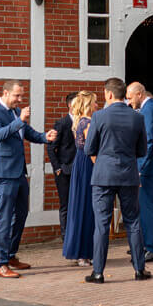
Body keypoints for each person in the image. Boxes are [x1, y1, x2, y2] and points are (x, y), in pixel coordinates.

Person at [0, 80, 57, 279]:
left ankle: (11, 255)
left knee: (22, 214)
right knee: (5, 218)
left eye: (22, 96)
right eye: (17, 96)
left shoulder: (15, 112)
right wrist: (20, 120)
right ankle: (0, 263)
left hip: (18, 172)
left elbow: (26, 133)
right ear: (5, 93)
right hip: (2, 173)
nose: (20, 99)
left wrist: (44, 137)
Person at [84, 77, 149, 284]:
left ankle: (98, 272)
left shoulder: (99, 116)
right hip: (128, 173)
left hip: (103, 174)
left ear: (109, 94)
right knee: (133, 221)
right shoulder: (137, 117)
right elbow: (142, 150)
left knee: (102, 223)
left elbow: (89, 148)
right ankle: (139, 269)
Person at [126, 82, 153, 261]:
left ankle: (151, 247)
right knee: (147, 205)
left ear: (139, 94)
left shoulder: (149, 110)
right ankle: (147, 244)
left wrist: (140, 167)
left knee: (147, 207)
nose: (128, 102)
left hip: (149, 166)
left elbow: (148, 140)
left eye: (130, 98)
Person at [61, 90, 97, 266]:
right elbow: (91, 150)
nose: (97, 105)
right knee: (86, 207)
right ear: (89, 105)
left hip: (79, 164)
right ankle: (84, 253)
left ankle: (78, 251)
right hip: (88, 165)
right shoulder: (88, 122)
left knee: (78, 207)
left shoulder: (78, 122)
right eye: (95, 103)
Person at [48, 96, 77, 236]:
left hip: (79, 170)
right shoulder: (62, 123)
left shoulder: (84, 122)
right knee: (65, 205)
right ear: (70, 105)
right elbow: (51, 148)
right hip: (65, 171)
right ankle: (65, 237)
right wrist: (57, 168)